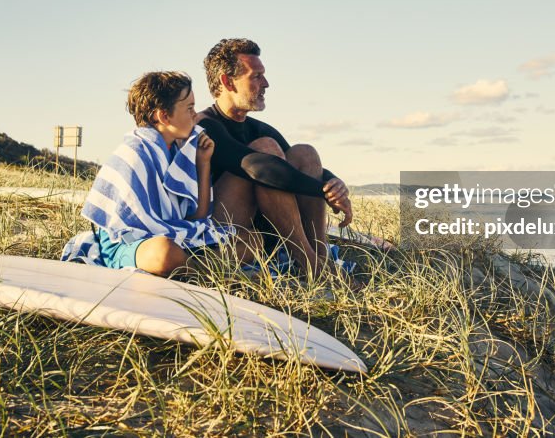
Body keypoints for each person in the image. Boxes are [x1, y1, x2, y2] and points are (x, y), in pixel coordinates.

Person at [61, 71, 253, 277]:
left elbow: (198, 217)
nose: (196, 115)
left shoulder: (180, 152)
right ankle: (204, 268)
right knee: (163, 253)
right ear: (163, 116)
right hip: (130, 245)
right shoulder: (132, 153)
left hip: (177, 238)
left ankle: (195, 268)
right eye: (189, 108)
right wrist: (172, 239)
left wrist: (203, 163)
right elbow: (130, 230)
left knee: (250, 240)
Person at [197, 38, 353, 278]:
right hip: (223, 233)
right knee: (266, 151)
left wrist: (335, 186)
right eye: (256, 76)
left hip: (263, 229)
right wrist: (322, 190)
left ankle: (320, 256)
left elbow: (299, 171)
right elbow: (262, 169)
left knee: (305, 153)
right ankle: (311, 264)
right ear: (228, 82)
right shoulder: (204, 124)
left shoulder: (259, 128)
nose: (266, 84)